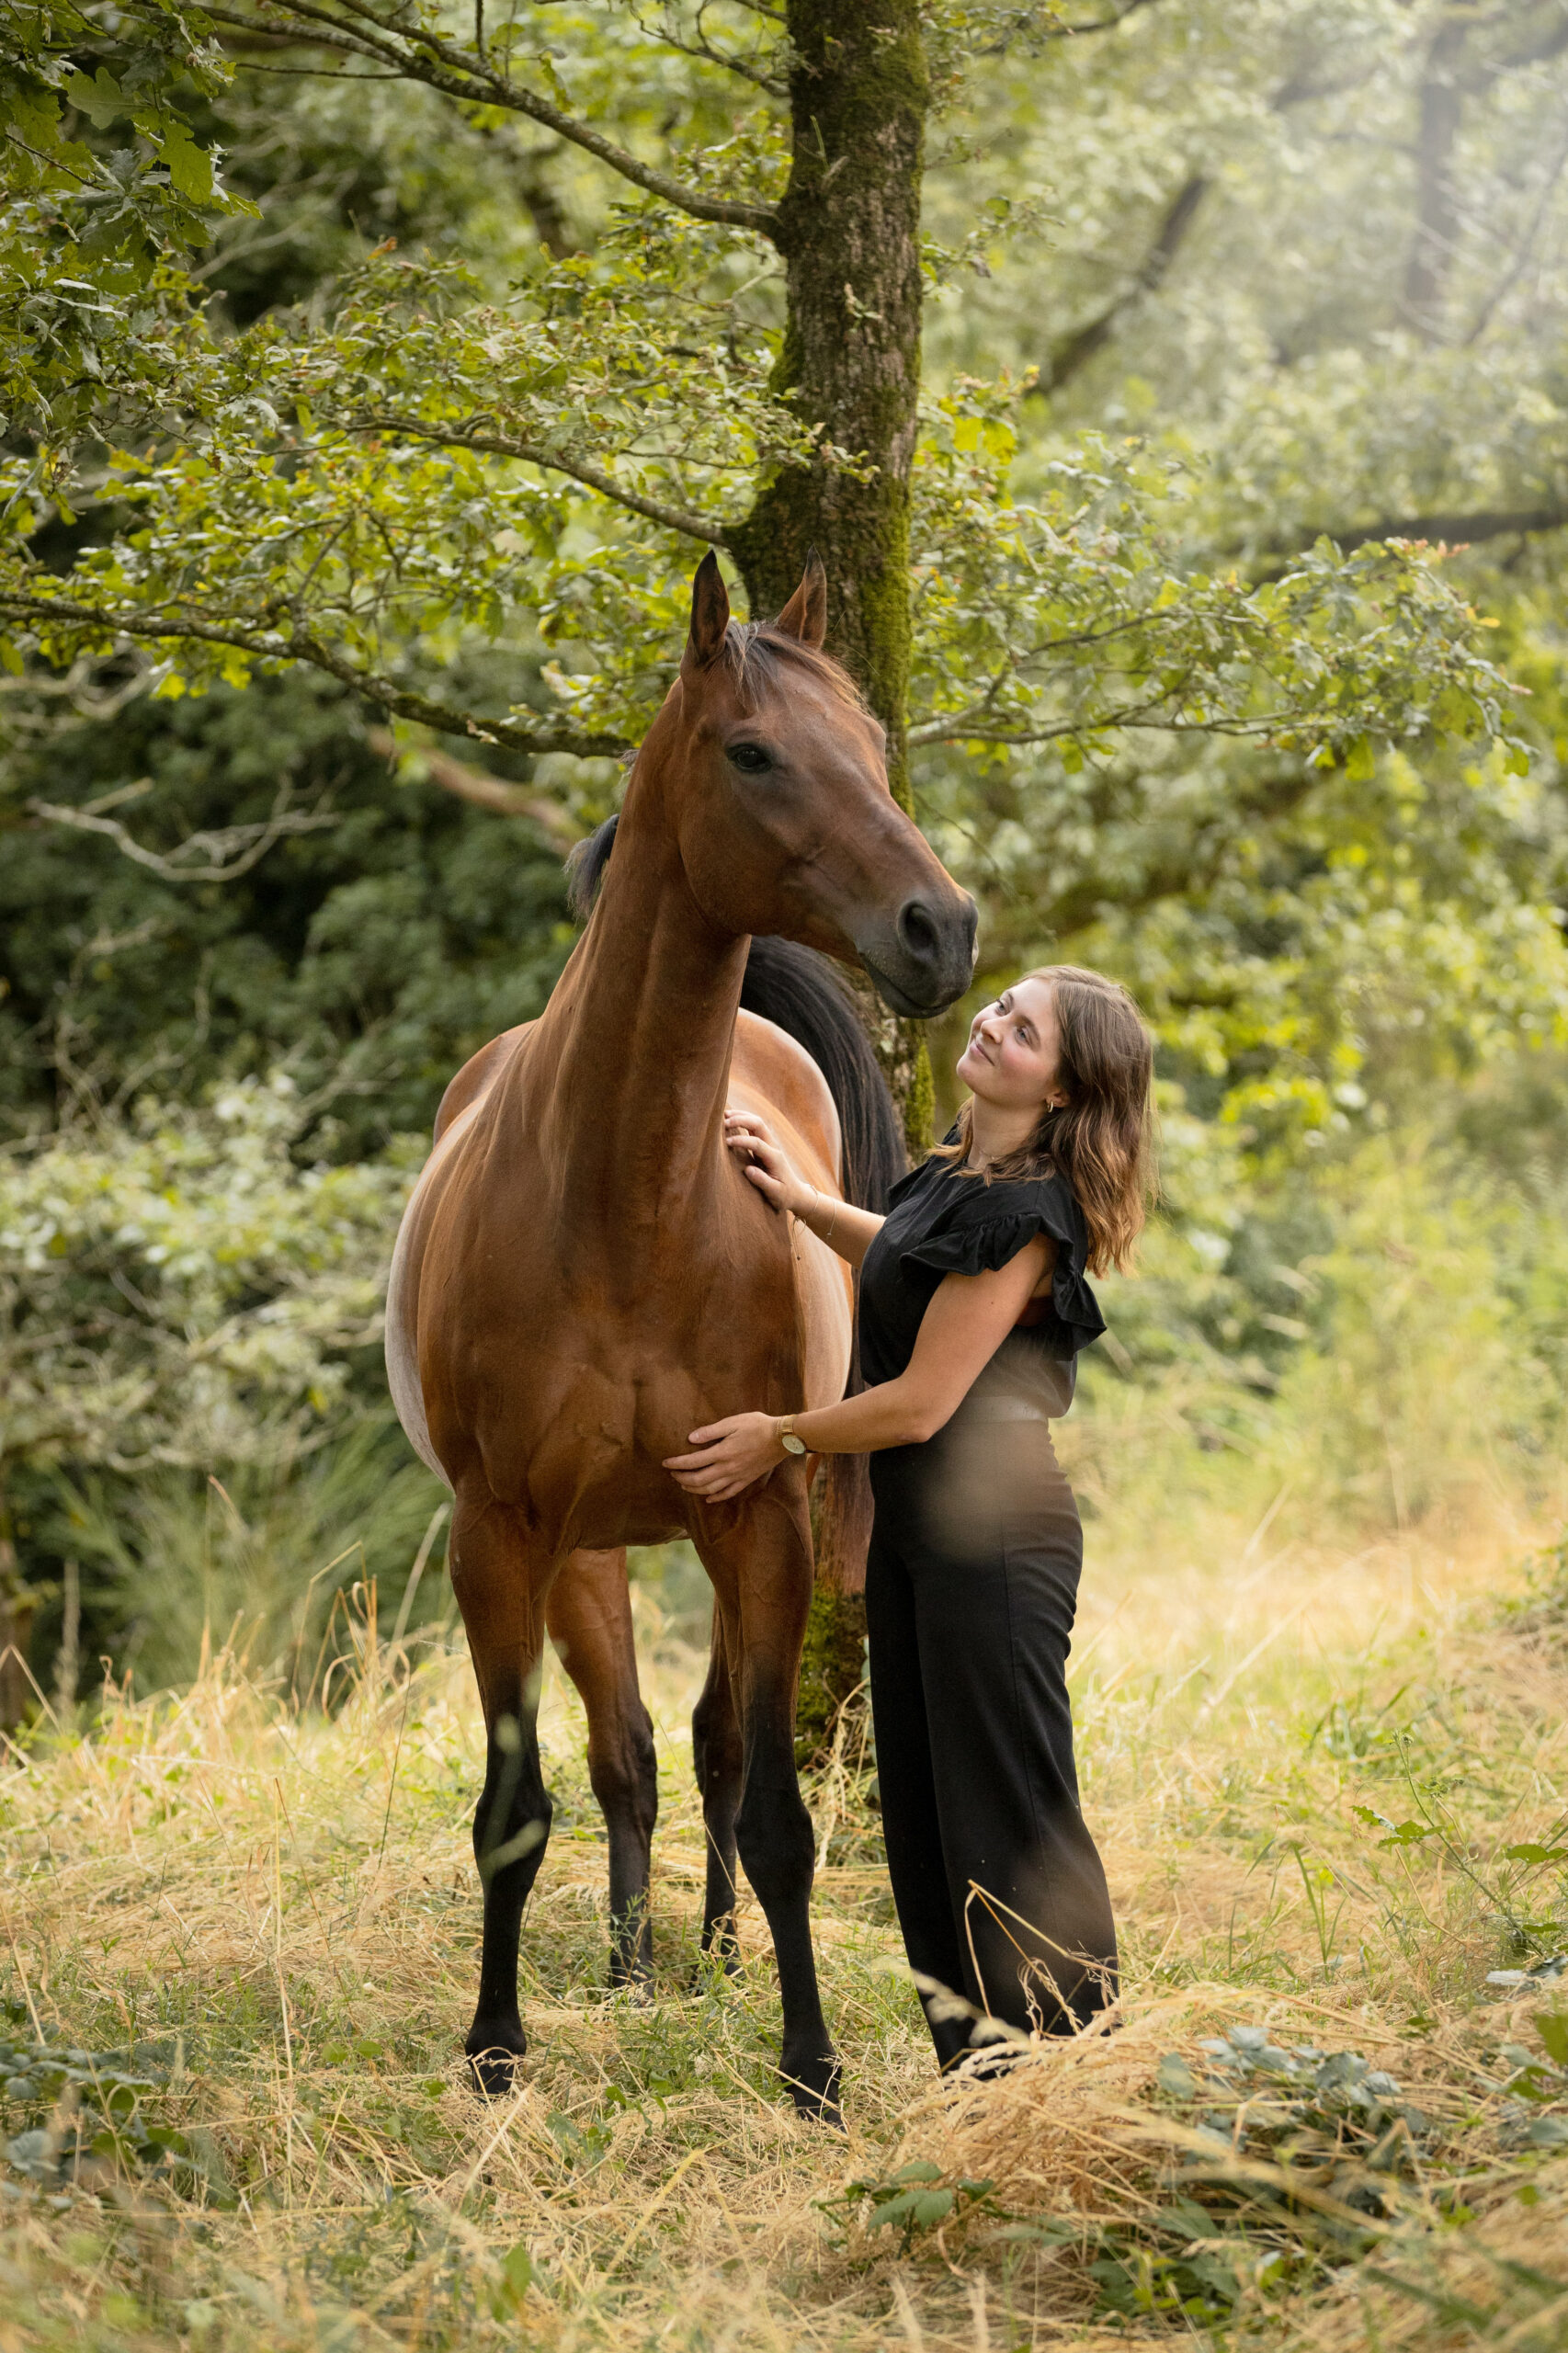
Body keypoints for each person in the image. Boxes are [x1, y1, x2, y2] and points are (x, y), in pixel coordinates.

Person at [665, 965, 1154, 2072]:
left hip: (996, 1540)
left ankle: (1078, 2075)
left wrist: (780, 1434)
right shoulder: (956, 1173)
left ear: (1062, 1090)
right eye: (1002, 1006)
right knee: (928, 1820)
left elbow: (922, 1401)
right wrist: (799, 1199)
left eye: (1024, 1031)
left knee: (1008, 1816)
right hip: (919, 1538)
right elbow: (901, 1259)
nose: (992, 1024)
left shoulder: (1028, 1215)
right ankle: (982, 2080)